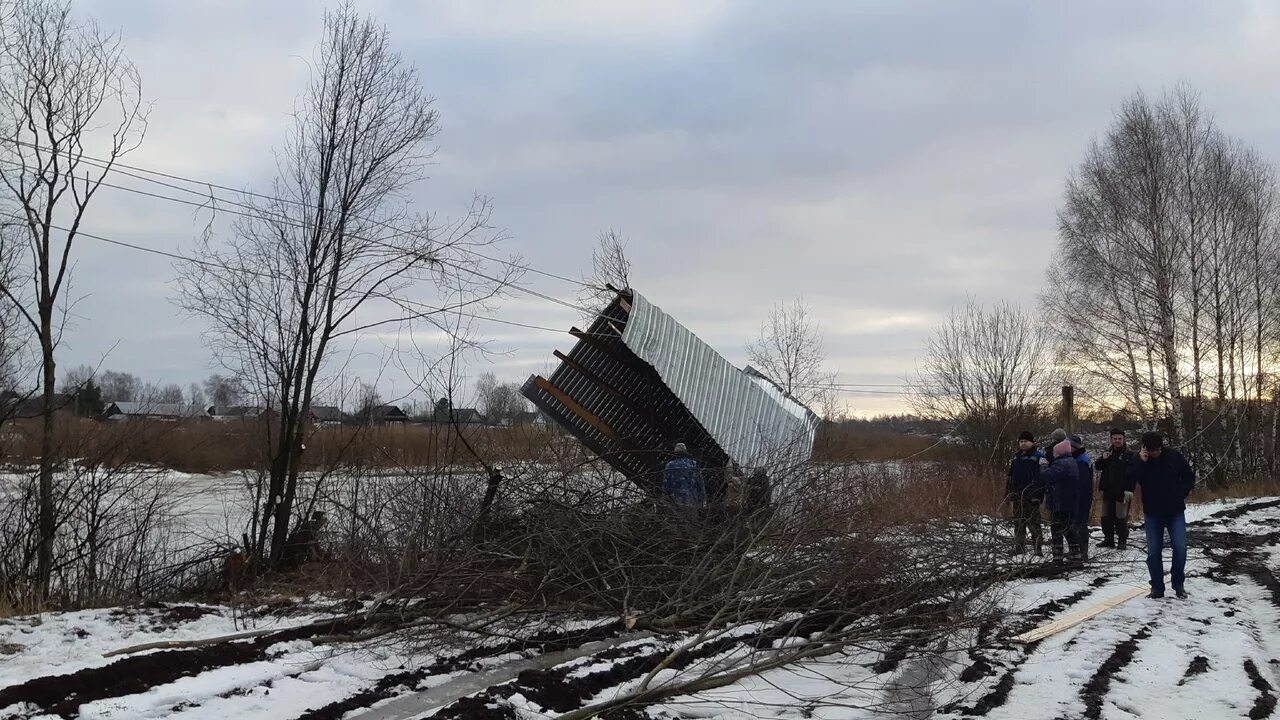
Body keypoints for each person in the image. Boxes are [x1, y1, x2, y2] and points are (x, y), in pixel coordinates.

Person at [1132, 431, 1195, 599]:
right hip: (1152, 513)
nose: (1154, 453)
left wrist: (1180, 493)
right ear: (1145, 449)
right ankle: (1157, 587)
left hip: (1175, 511)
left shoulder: (1174, 457)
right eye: (1151, 451)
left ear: (1161, 447)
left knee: (1180, 548)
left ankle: (1178, 584)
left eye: (1157, 450)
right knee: (1153, 552)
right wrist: (1141, 463)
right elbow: (1131, 479)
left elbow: (1189, 477)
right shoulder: (1140, 461)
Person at [1040, 437, 1082, 563]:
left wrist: (1043, 466)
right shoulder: (1071, 461)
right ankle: (1076, 555)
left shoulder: (1062, 464)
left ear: (1059, 452)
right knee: (1068, 529)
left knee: (1057, 529)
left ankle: (1057, 557)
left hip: (1060, 503)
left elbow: (1048, 476)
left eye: (1055, 452)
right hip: (1068, 502)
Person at [1005, 430, 1045, 555]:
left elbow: (1042, 478)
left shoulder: (1039, 457)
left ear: (1032, 442)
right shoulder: (1016, 457)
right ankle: (1019, 547)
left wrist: (1038, 495)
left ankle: (1037, 549)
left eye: (1025, 441)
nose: (1023, 444)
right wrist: (1008, 493)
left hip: (1032, 497)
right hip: (1017, 496)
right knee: (1018, 523)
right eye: (1021, 441)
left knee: (1034, 524)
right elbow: (1010, 477)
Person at [1095, 429, 1136, 549]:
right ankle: (1109, 539)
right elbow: (1098, 466)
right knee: (1106, 517)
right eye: (1115, 438)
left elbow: (1132, 474)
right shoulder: (1108, 452)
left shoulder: (1129, 454)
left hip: (1122, 491)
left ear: (1123, 440)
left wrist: (1129, 489)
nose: (1117, 441)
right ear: (1111, 439)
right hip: (1108, 490)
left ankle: (1122, 541)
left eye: (1119, 439)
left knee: (1121, 517)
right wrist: (1103, 458)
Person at [663, 442, 705, 518]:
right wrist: (700, 504)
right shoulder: (693, 464)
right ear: (685, 452)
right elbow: (700, 486)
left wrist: (666, 503)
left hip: (676, 504)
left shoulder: (670, 465)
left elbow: (666, 488)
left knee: (677, 527)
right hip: (692, 503)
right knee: (692, 527)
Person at [1069, 435, 1094, 561]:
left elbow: (1081, 483)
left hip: (1081, 497)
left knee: (1080, 524)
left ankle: (1082, 553)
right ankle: (1077, 552)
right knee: (1075, 524)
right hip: (1078, 496)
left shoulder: (1081, 461)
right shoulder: (1077, 458)